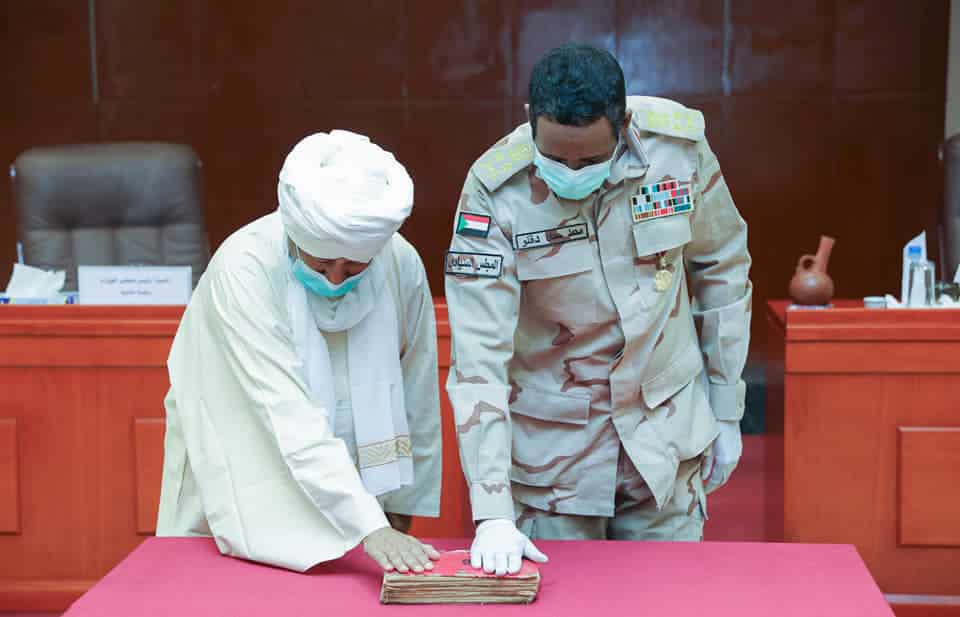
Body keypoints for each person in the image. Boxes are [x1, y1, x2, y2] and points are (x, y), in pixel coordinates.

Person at [445, 44, 752, 575]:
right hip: (554, 462)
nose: (571, 172)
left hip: (664, 438)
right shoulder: (495, 191)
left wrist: (726, 409)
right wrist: (492, 510)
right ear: (530, 120)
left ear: (624, 124)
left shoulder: (677, 152)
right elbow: (478, 355)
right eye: (554, 158)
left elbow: (721, 267)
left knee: (670, 599)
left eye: (589, 161)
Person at [157, 130, 442, 574]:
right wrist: (368, 523)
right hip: (246, 481)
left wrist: (401, 505)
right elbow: (284, 410)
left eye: (354, 266)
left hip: (362, 503)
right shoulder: (245, 267)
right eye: (321, 263)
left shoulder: (398, 262)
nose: (335, 279)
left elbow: (417, 387)